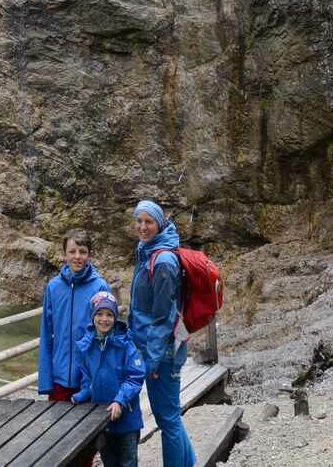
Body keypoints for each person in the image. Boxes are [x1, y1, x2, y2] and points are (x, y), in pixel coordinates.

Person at [129, 200, 196, 467]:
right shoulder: (147, 250)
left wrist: (153, 359)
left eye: (149, 221)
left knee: (167, 420)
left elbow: (163, 318)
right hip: (154, 347)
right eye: (139, 221)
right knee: (170, 417)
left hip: (163, 352)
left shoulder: (164, 260)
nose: (143, 227)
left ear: (159, 223)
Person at [72, 292, 145, 467]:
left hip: (127, 416)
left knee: (128, 461)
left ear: (115, 317)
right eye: (99, 314)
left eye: (109, 314)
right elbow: (88, 379)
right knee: (109, 461)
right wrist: (81, 395)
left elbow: (135, 377)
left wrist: (120, 401)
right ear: (92, 317)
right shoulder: (85, 347)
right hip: (101, 416)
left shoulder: (126, 344)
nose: (104, 319)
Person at [38, 228, 111, 402]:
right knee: (58, 427)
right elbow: (46, 334)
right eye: (72, 251)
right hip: (59, 377)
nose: (77, 256)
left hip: (89, 377)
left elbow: (109, 336)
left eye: (83, 252)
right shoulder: (53, 287)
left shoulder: (99, 287)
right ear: (64, 254)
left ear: (89, 255)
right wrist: (45, 380)